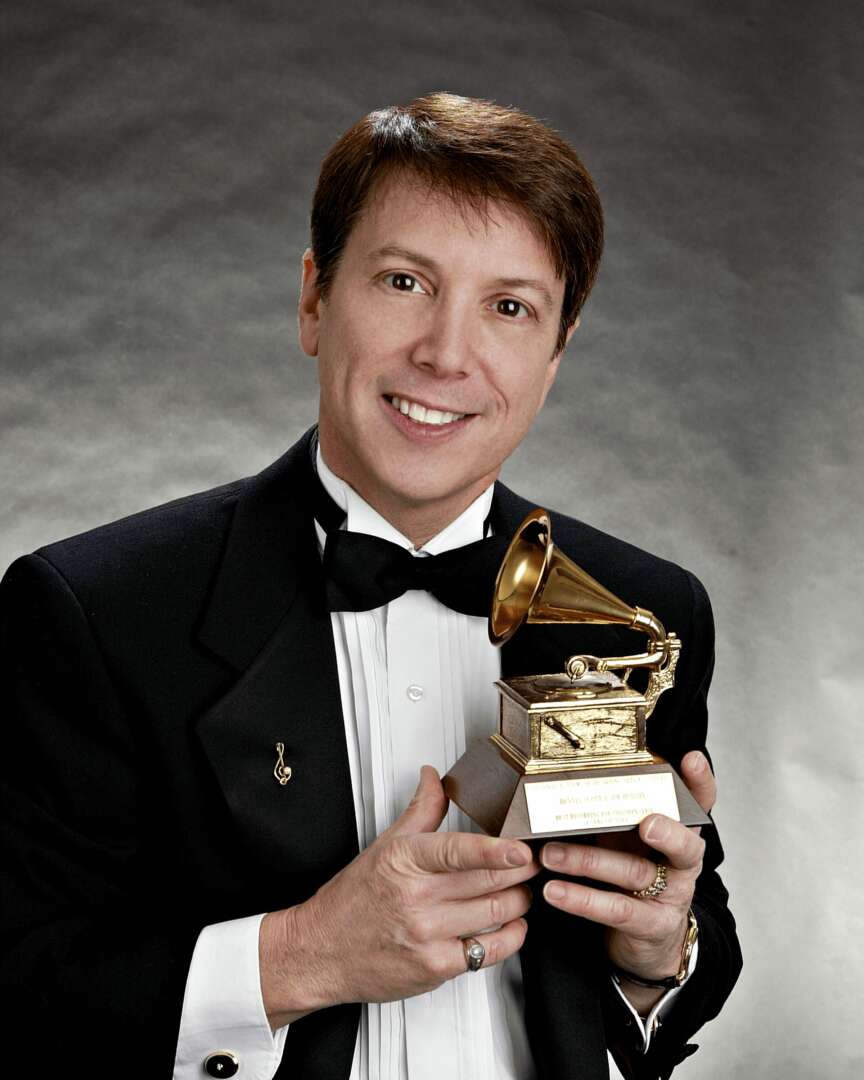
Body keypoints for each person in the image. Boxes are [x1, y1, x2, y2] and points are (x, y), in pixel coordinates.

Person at [0, 93, 741, 1080]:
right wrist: (300, 957)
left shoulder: (649, 607)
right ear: (314, 299)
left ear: (556, 352)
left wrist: (658, 951)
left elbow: (695, 948)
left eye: (509, 307)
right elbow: (17, 980)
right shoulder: (93, 610)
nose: (445, 354)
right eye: (404, 281)